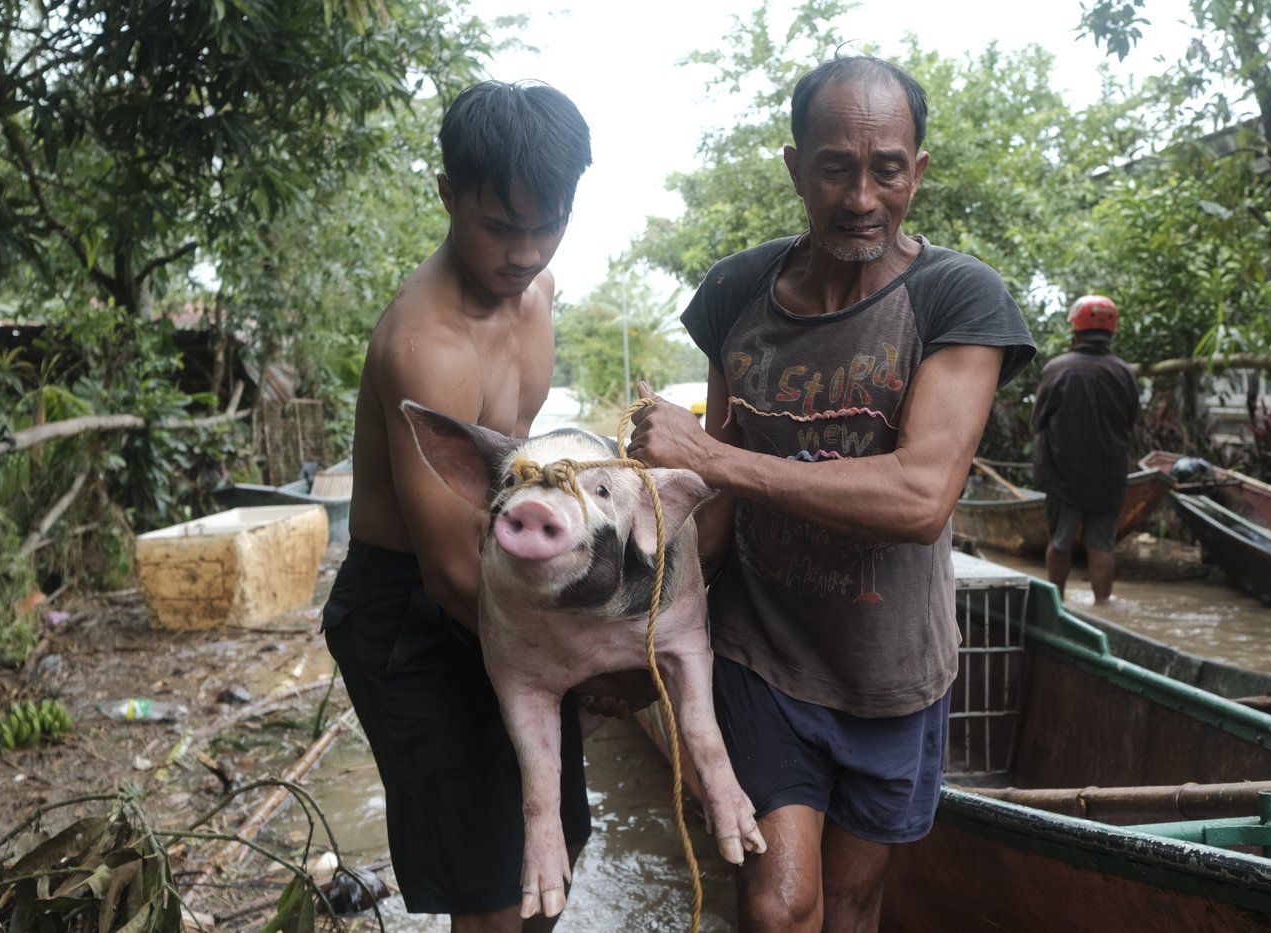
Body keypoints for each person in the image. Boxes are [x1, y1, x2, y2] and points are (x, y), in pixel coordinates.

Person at [628, 55, 1035, 933]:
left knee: (851, 904)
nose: (861, 196)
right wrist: (643, 631)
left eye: (887, 169)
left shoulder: (958, 298)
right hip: (762, 655)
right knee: (779, 907)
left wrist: (713, 457)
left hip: (892, 672)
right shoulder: (737, 294)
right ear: (794, 168)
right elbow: (717, 499)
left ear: (917, 171)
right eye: (835, 168)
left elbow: (920, 495)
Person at [319, 80, 593, 932]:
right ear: (447, 196)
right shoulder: (426, 345)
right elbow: (444, 572)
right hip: (417, 612)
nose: (525, 250)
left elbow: (513, 476)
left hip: (505, 589)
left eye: (547, 224)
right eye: (500, 226)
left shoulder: (539, 295)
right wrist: (585, 656)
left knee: (557, 845)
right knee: (489, 888)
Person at [1030, 294, 1140, 604]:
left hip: (1063, 478)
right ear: (1110, 332)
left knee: (1061, 542)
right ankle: (1104, 609)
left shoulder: (1058, 368)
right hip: (1109, 478)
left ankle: (1058, 606)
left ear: (1075, 330)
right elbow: (1131, 421)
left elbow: (1039, 421)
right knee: (1101, 546)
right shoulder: (1124, 372)